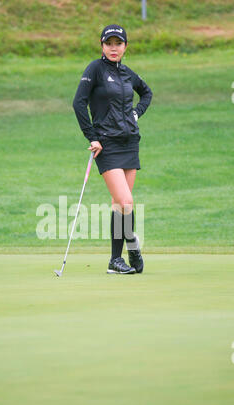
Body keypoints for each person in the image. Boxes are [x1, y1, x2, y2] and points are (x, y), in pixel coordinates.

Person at [73, 24, 153, 274]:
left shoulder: (128, 73)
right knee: (126, 201)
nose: (114, 48)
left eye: (118, 43)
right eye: (109, 43)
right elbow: (78, 103)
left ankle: (115, 262)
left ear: (125, 46)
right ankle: (132, 248)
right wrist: (92, 136)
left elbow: (146, 93)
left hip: (129, 142)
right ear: (102, 45)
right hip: (106, 144)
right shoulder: (95, 69)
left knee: (119, 205)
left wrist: (135, 114)